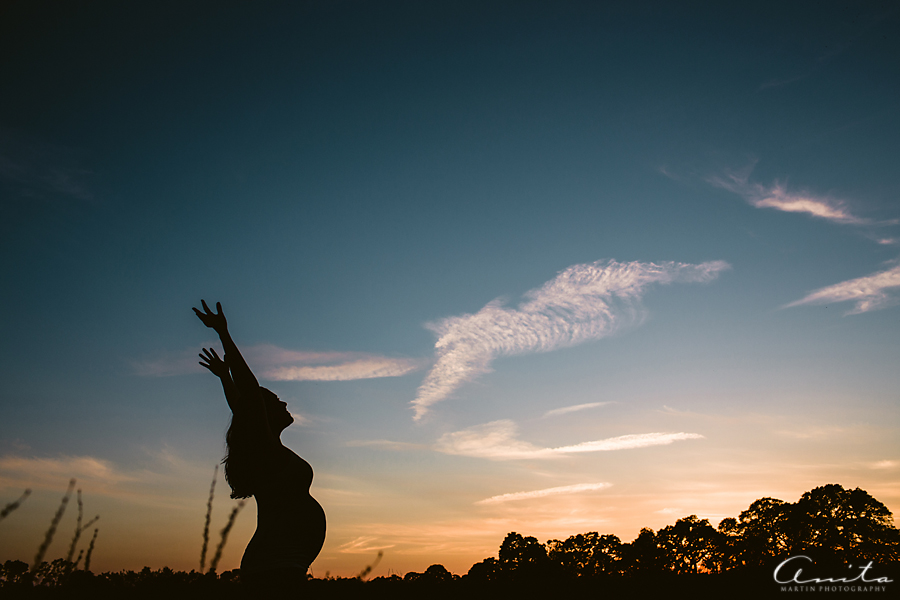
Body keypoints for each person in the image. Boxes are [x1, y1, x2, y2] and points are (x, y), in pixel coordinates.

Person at [194, 300, 325, 594]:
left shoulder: (267, 449)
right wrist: (224, 334)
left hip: (281, 565)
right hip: (274, 567)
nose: (285, 403)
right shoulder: (267, 452)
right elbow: (249, 399)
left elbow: (241, 407)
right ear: (263, 414)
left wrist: (224, 377)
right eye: (277, 401)